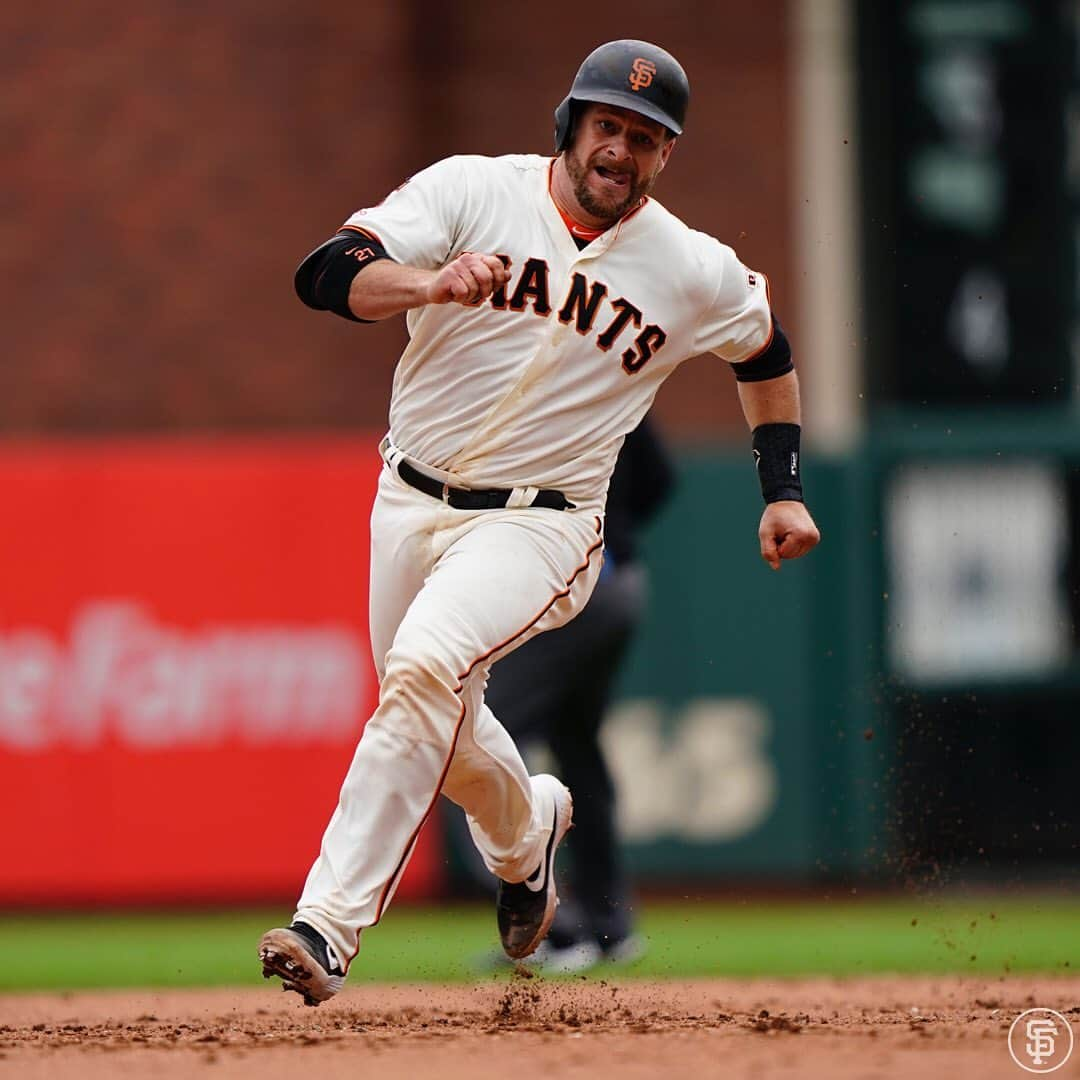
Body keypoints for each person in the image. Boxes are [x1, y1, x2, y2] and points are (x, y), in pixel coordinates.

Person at [259, 38, 820, 1006]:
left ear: (665, 156)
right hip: (408, 498)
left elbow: (765, 353)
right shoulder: (473, 192)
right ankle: (531, 836)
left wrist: (783, 487)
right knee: (448, 724)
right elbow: (329, 270)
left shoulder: (689, 267)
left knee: (426, 670)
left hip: (544, 525)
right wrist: (426, 283)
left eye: (647, 138)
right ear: (571, 125)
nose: (623, 150)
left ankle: (327, 924)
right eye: (609, 125)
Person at [458, 416, 674, 974]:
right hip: (618, 583)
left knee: (467, 739)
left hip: (570, 590)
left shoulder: (526, 383)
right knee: (576, 743)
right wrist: (615, 530)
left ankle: (555, 928)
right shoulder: (613, 373)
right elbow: (659, 480)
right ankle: (608, 925)